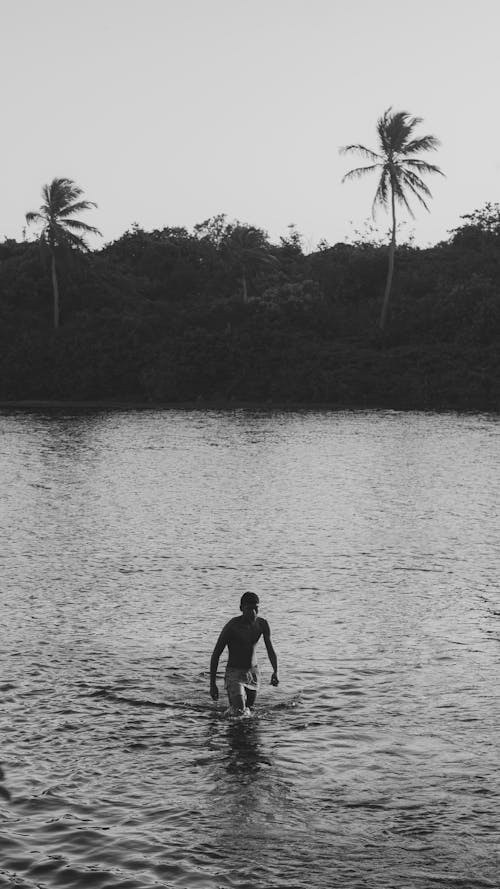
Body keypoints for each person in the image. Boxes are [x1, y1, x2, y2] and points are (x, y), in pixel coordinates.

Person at [210, 592, 279, 715]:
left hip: (253, 673)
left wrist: (275, 671)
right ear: (241, 608)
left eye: (255, 608)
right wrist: (212, 684)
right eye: (249, 609)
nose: (253, 612)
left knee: (249, 712)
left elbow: (270, 649)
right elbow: (216, 655)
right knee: (240, 711)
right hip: (234, 673)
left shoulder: (262, 624)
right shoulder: (232, 626)